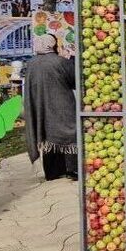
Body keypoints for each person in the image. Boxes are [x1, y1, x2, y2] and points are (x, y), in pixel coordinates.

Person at [23, 34, 78, 181]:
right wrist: (71, 59)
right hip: (62, 105)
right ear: (53, 45)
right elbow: (75, 81)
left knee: (48, 135)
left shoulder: (31, 63)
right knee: (70, 134)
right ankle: (72, 169)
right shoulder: (60, 62)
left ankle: (53, 172)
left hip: (42, 107)